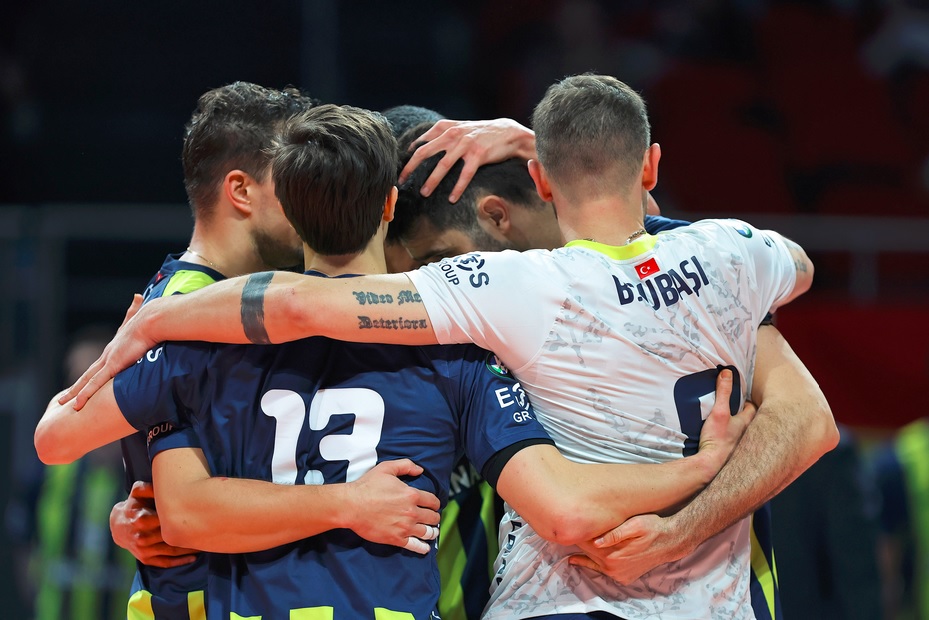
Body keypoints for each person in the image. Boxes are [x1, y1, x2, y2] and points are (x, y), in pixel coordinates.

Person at [61, 74, 837, 619]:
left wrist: (680, 525)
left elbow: (804, 421)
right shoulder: (711, 266)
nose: (412, 298)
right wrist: (159, 509)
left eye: (433, 265)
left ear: (498, 215)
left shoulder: (522, 294)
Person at [31, 325, 136, 620]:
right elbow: (25, 541)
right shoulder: (47, 465)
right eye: (73, 379)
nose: (80, 392)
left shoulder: (148, 464)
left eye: (93, 378)